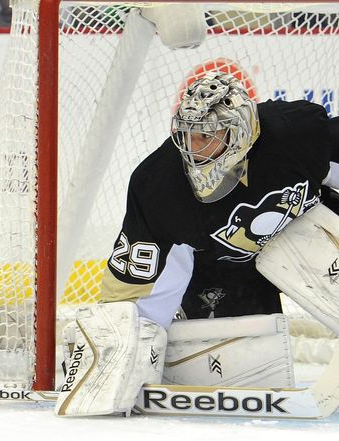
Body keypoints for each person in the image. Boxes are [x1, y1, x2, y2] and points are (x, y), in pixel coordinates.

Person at [55, 71, 339, 417]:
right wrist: (111, 341)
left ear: (243, 131)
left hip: (306, 240)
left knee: (308, 238)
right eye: (188, 135)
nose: (194, 148)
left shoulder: (296, 132)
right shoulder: (158, 183)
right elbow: (134, 283)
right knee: (240, 386)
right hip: (223, 270)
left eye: (207, 136)